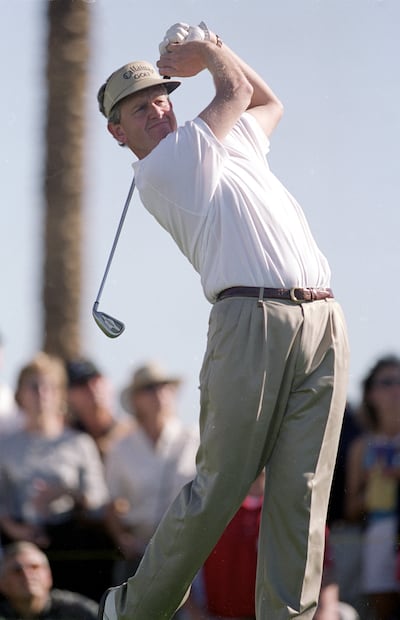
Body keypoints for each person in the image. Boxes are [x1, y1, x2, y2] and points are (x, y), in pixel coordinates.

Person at [96, 20, 349, 620]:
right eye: (138, 109)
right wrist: (208, 52)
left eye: (160, 97)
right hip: (250, 318)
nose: (157, 110)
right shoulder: (166, 165)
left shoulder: (221, 141)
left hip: (323, 317)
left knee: (303, 495)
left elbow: (267, 103)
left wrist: (215, 48)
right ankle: (133, 610)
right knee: (222, 485)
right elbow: (233, 91)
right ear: (118, 132)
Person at [0, 352, 111, 602]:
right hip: (20, 548)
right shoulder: (5, 446)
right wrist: (18, 530)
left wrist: (67, 493)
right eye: (34, 386)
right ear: (20, 394)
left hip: (71, 544)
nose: (42, 394)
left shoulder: (79, 443)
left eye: (48, 387)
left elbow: (98, 500)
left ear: (59, 394)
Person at [104, 361, 198, 587]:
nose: (159, 394)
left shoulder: (196, 439)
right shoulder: (121, 448)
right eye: (149, 388)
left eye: (164, 386)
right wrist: (122, 539)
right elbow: (110, 503)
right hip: (140, 555)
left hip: (192, 550)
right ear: (135, 399)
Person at [345, 355, 400, 620]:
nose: (396, 389)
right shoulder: (361, 447)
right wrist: (373, 493)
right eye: (387, 382)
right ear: (371, 394)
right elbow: (351, 509)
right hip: (379, 537)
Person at [0, 541, 98, 619]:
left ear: (48, 576)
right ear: (2, 583)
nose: (27, 575)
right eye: (17, 571)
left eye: (35, 567)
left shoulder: (77, 611)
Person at [65, 357, 134, 460]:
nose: (92, 389)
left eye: (95, 380)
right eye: (81, 385)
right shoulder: (66, 438)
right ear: (68, 396)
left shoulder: (132, 432)